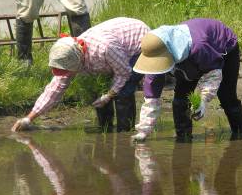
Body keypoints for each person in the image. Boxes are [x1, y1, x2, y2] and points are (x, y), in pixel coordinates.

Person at [11, 17, 150, 133]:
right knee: (97, 89)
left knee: (123, 91)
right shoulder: (69, 56)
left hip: (139, 44)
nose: (66, 75)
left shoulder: (105, 48)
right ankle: (105, 128)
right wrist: (29, 118)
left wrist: (109, 95)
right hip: (116, 54)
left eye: (68, 71)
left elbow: (124, 73)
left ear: (78, 61)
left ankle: (124, 132)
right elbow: (54, 90)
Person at [131, 18, 242, 142]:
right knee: (180, 100)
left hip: (223, 47)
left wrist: (203, 100)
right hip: (191, 55)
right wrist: (143, 131)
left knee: (226, 97)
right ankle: (183, 140)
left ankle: (241, 137)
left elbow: (213, 75)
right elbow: (151, 99)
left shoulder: (199, 46)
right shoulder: (155, 53)